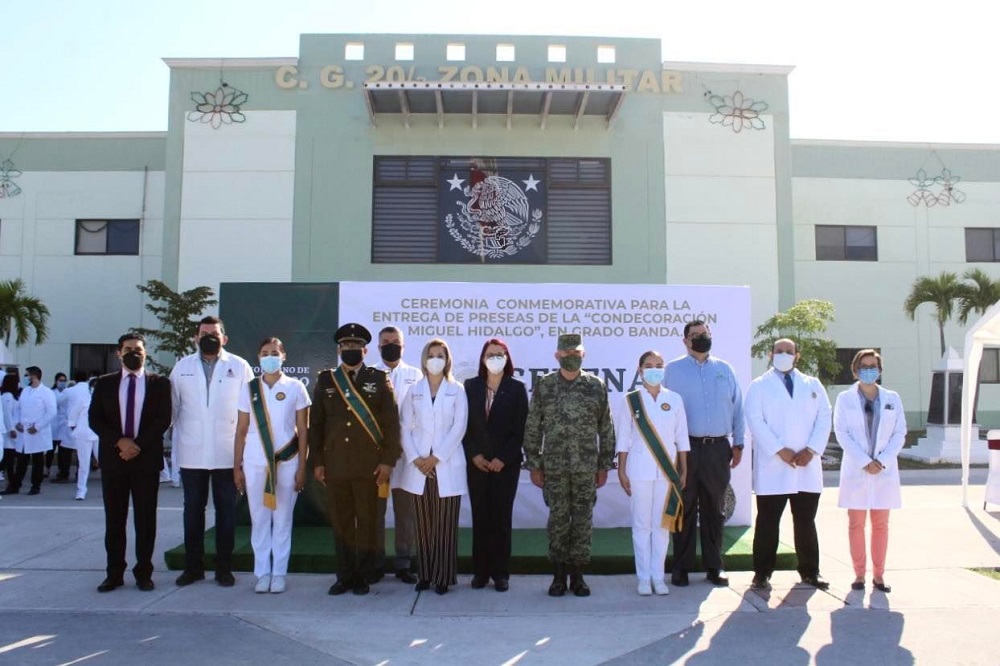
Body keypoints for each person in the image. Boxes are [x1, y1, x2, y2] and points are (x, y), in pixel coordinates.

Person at [309, 323, 401, 596]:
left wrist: (388, 461)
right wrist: (317, 462)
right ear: (339, 350)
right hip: (336, 465)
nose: (351, 350)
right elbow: (317, 425)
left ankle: (363, 575)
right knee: (342, 522)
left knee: (367, 522)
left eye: (356, 346)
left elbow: (391, 425)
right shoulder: (327, 380)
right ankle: (344, 576)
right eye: (346, 346)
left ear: (365, 350)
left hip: (369, 467)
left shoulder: (379, 379)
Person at [524, 333, 615, 598]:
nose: (571, 357)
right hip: (554, 467)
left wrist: (604, 464)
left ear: (583, 354)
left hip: (586, 467)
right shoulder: (545, 386)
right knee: (558, 521)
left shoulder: (596, 386)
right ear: (557, 355)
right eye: (566, 353)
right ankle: (558, 577)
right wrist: (534, 464)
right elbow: (533, 426)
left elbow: (606, 427)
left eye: (576, 352)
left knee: (583, 521)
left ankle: (578, 576)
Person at [170, 315, 254, 588]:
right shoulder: (182, 367)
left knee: (226, 513)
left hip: (227, 453)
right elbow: (172, 409)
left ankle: (224, 568)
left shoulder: (239, 366)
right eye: (204, 333)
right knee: (192, 512)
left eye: (214, 334)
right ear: (196, 337)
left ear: (224, 338)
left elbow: (250, 411)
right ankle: (193, 568)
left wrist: (246, 453)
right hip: (192, 452)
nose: (209, 338)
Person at [745, 338, 832, 591]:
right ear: (770, 355)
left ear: (797, 356)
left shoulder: (812, 384)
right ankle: (762, 573)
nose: (784, 354)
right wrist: (779, 450)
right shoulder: (759, 386)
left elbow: (824, 418)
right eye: (779, 351)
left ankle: (810, 571)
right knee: (768, 522)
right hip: (774, 465)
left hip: (807, 464)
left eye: (789, 351)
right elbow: (755, 420)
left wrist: (811, 450)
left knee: (805, 521)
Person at [89, 333, 172, 592]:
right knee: (115, 520)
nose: (133, 353)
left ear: (146, 353)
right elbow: (95, 419)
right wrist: (120, 442)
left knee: (145, 521)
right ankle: (114, 574)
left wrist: (137, 445)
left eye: (138, 349)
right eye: (128, 349)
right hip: (114, 461)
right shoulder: (104, 383)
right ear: (119, 353)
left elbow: (163, 419)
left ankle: (144, 573)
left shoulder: (160, 384)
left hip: (145, 461)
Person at [665, 320, 744, 587]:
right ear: (685, 340)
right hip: (685, 449)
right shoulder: (672, 371)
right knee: (684, 508)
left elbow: (738, 407)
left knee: (714, 509)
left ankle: (714, 566)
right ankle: (681, 567)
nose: (701, 338)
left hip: (718, 448)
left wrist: (739, 443)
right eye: (695, 335)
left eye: (705, 334)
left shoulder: (725, 369)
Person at [234, 337, 311, 594]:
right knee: (259, 519)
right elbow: (241, 429)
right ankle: (262, 573)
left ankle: (279, 572)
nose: (270, 357)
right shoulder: (249, 389)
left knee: (283, 520)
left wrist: (303, 466)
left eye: (275, 353)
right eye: (265, 353)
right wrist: (236, 466)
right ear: (258, 357)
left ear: (283, 356)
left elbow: (303, 429)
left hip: (287, 462)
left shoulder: (296, 387)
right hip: (255, 462)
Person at [615, 350, 689, 596]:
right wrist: (621, 470)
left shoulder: (674, 399)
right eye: (649, 365)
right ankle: (643, 578)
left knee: (661, 526)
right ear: (640, 370)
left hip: (667, 473)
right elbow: (623, 438)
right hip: (638, 470)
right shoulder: (630, 400)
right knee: (641, 525)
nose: (654, 369)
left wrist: (684, 469)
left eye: (659, 365)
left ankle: (659, 577)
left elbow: (682, 438)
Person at [398, 338, 469, 595]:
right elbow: (404, 426)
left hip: (445, 463)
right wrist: (416, 458)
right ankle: (425, 574)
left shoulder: (457, 389)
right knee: (423, 524)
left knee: (444, 524)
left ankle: (443, 577)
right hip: (419, 465)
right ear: (424, 359)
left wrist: (436, 457)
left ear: (447, 360)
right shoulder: (414, 389)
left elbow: (459, 427)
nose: (435, 360)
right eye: (431, 355)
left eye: (440, 355)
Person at [834, 349, 907, 594]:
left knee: (881, 525)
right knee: (856, 524)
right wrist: (864, 461)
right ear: (855, 370)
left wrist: (882, 461)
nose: (868, 370)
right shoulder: (845, 399)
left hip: (883, 470)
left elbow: (899, 432)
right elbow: (842, 433)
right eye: (863, 366)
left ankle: (879, 575)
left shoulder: (892, 398)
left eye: (872, 366)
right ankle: (858, 574)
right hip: (857, 469)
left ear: (880, 370)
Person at [463, 338, 528, 592]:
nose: (495, 358)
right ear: (482, 358)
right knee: (480, 518)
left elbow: (520, 429)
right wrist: (474, 455)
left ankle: (501, 574)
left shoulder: (517, 388)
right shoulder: (470, 386)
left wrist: (503, 458)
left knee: (501, 519)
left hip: (505, 466)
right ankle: (480, 573)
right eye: (490, 354)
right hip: (477, 465)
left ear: (507, 358)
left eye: (500, 354)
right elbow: (464, 426)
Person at [374, 325, 423, 584]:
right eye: (385, 341)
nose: (390, 345)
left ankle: (404, 563)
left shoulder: (416, 375)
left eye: (395, 341)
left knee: (406, 513)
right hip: (378, 457)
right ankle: (376, 563)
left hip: (407, 455)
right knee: (376, 512)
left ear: (403, 346)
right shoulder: (369, 375)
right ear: (378, 346)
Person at [3, 367, 56, 496]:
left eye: (27, 375)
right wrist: (17, 422)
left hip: (37, 431)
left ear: (34, 376)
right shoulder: (25, 391)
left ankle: (35, 486)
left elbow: (51, 412)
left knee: (37, 460)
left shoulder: (46, 392)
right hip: (24, 431)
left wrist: (38, 426)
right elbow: (18, 409)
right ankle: (15, 485)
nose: (24, 377)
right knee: (21, 460)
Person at [65, 371, 99, 500]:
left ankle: (111, 489)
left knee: (105, 462)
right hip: (84, 434)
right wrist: (75, 427)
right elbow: (73, 415)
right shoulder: (83, 399)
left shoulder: (106, 400)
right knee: (83, 464)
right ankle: (81, 490)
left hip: (100, 435)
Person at [47, 372, 74, 483]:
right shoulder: (51, 392)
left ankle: (61, 470)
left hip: (64, 425)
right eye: (60, 380)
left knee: (63, 450)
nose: (62, 382)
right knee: (51, 449)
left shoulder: (68, 392)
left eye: (64, 380)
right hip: (53, 425)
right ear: (56, 381)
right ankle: (47, 469)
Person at [1, 373, 17, 485]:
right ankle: (12, 481)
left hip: (10, 430)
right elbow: (7, 415)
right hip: (8, 432)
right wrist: (11, 429)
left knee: (8, 458)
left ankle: (12, 480)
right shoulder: (7, 396)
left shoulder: (10, 396)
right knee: (8, 458)